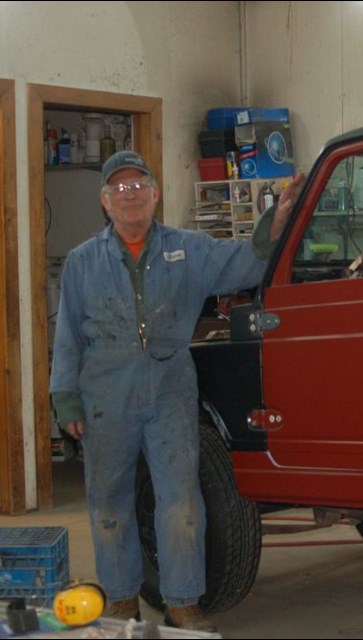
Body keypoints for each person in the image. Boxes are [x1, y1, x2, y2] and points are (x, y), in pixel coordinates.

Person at [50, 150, 304, 632]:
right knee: (109, 504)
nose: (130, 196)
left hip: (170, 394)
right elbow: (67, 338)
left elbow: (246, 263)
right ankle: (122, 599)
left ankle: (183, 600)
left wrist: (277, 221)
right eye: (120, 189)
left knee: (182, 501)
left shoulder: (189, 250)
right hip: (105, 399)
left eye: (139, 186)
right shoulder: (84, 262)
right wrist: (65, 399)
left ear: (155, 193)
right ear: (105, 201)